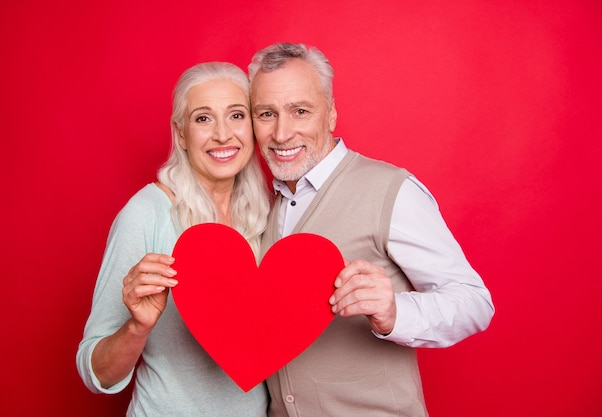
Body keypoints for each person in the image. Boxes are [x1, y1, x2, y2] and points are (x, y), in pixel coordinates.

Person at [248, 42, 495, 417]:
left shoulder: (390, 190)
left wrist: (396, 312)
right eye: (266, 113)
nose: (282, 133)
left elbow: (475, 302)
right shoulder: (263, 206)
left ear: (330, 114)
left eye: (300, 111)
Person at [76, 62, 270, 417]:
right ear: (180, 134)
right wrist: (138, 326)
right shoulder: (147, 212)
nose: (223, 134)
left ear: (254, 126)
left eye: (237, 115)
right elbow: (95, 373)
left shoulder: (267, 215)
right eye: (203, 119)